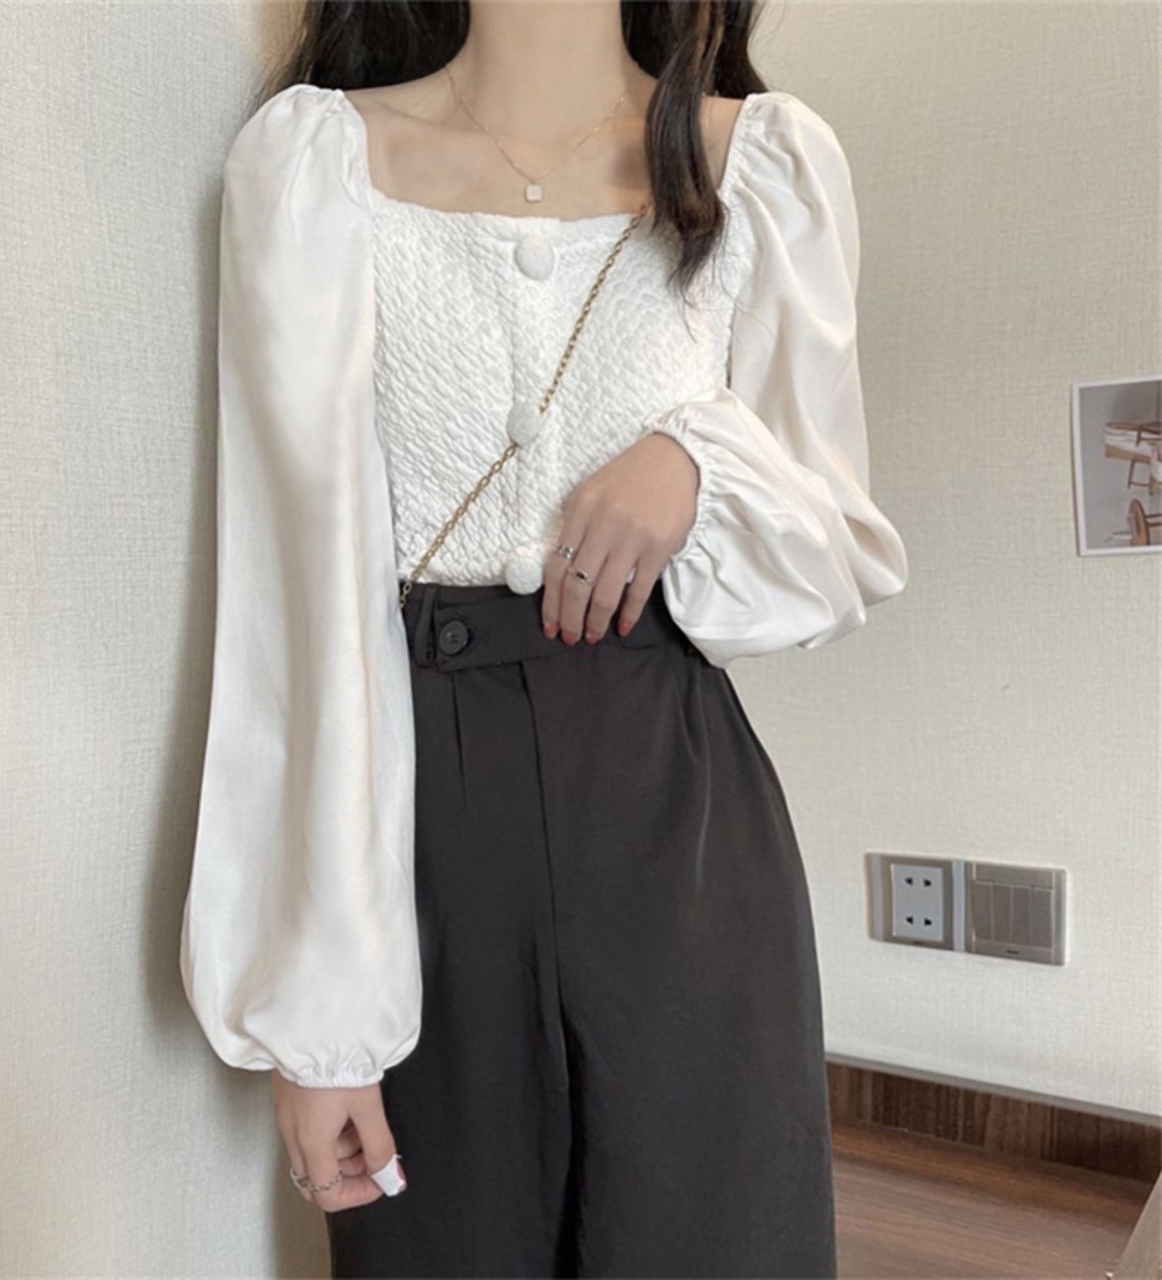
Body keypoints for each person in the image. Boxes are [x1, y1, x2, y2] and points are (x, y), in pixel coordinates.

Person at [179, 2, 910, 1276]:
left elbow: (837, 550)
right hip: (422, 811)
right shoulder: (313, 165)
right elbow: (290, 610)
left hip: (676, 806)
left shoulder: (760, 163)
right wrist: (321, 1028)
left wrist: (697, 467)